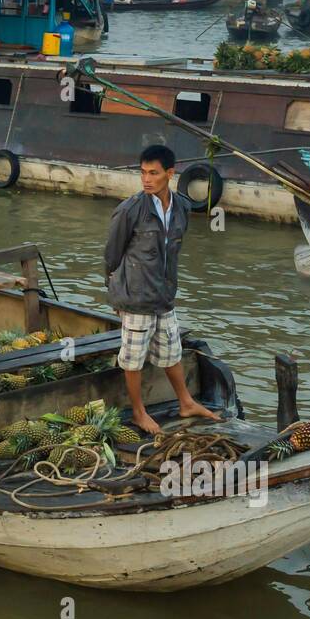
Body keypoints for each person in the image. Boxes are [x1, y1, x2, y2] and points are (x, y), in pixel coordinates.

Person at [104, 144, 221, 436]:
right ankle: (139, 412)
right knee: (132, 359)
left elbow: (174, 251)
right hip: (136, 298)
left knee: (172, 352)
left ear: (170, 173)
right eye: (142, 172)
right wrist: (118, 297)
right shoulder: (130, 209)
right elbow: (111, 257)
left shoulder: (182, 206)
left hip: (165, 297)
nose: (146, 179)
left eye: (153, 173)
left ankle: (186, 402)